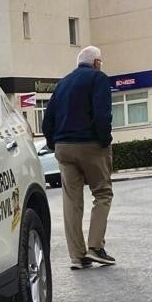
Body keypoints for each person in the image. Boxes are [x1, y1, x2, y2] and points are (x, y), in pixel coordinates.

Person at [42, 46, 116, 270]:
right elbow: (102, 114)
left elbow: (47, 120)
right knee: (102, 193)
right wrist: (104, 140)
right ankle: (95, 247)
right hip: (90, 144)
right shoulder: (98, 78)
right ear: (96, 62)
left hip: (64, 147)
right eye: (100, 61)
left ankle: (78, 256)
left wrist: (54, 143)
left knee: (72, 202)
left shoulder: (62, 83)